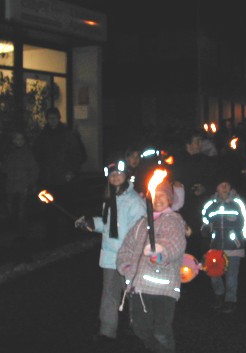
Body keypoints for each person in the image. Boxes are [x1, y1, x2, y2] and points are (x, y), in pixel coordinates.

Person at [74, 157, 146, 345]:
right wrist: (91, 223)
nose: (115, 177)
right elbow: (108, 225)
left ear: (127, 177)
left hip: (127, 257)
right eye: (112, 175)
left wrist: (132, 255)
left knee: (132, 293)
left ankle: (138, 327)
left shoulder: (134, 201)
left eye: (119, 174)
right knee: (109, 294)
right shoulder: (110, 200)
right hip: (109, 256)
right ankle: (107, 330)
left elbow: (138, 230)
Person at [117, 180, 186, 353]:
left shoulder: (173, 221)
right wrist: (125, 266)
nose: (158, 199)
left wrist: (160, 253)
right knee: (140, 328)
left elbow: (174, 243)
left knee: (161, 331)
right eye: (155, 196)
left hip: (163, 287)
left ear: (170, 200)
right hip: (140, 287)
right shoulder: (141, 223)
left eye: (163, 196)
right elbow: (127, 247)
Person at [201, 175, 246, 314]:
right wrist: (206, 229)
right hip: (216, 246)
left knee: (231, 276)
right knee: (214, 273)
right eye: (221, 184)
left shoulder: (238, 203)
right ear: (216, 188)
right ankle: (219, 294)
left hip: (234, 246)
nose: (224, 186)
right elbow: (205, 220)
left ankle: (230, 299)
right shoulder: (210, 204)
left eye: (227, 184)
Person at [33, 107, 86, 240]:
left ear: (58, 118)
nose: (52, 121)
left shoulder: (67, 134)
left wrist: (72, 171)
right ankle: (52, 235)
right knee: (51, 208)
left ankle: (72, 232)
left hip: (65, 178)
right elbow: (38, 156)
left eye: (54, 118)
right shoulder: (42, 136)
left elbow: (76, 154)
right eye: (50, 118)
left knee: (69, 206)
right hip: (49, 178)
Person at [173, 127, 217, 259]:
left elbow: (213, 181)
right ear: (188, 144)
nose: (199, 145)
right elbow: (174, 180)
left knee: (198, 240)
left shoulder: (206, 161)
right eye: (196, 141)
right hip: (183, 207)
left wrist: (205, 188)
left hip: (200, 206)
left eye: (200, 141)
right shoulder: (179, 161)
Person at [1, 130, 39, 240]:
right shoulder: (9, 154)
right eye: (17, 139)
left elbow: (34, 169)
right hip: (11, 186)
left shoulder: (28, 153)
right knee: (11, 209)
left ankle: (22, 232)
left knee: (22, 210)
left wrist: (31, 183)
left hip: (23, 186)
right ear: (13, 140)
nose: (19, 141)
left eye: (21, 139)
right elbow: (5, 169)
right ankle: (14, 230)